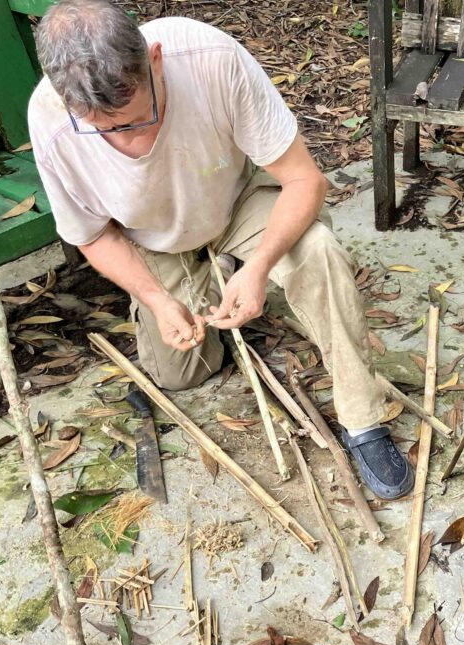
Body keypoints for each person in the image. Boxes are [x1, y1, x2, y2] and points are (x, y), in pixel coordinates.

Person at [28, 0, 413, 499]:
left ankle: (363, 420)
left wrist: (258, 267)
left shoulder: (210, 57)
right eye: (107, 130)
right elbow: (92, 234)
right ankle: (207, 283)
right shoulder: (52, 122)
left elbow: (304, 181)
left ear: (156, 60)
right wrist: (158, 301)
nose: (130, 142)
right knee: (182, 373)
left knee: (317, 252)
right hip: (155, 238)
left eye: (139, 118)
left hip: (236, 203)